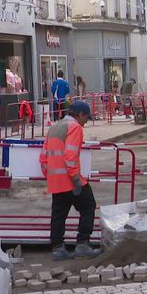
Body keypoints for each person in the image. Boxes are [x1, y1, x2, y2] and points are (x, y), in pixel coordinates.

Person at [39, 101, 102, 261]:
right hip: (69, 179)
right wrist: (76, 180)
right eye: (86, 117)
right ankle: (82, 244)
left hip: (56, 180)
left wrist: (51, 177)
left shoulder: (54, 127)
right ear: (80, 114)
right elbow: (70, 155)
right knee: (88, 206)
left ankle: (58, 248)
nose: (86, 121)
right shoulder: (74, 128)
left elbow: (43, 158)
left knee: (58, 214)